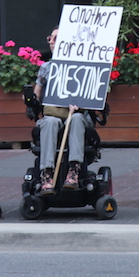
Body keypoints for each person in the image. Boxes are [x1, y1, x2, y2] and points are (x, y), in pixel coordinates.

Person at [32, 27, 94, 194]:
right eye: (50, 38)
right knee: (50, 122)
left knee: (77, 119)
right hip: (53, 113)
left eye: (56, 38)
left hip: (74, 113)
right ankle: (46, 173)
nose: (51, 42)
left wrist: (80, 103)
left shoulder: (83, 66)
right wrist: (30, 99)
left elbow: (92, 95)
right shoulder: (46, 67)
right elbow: (36, 95)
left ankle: (74, 170)